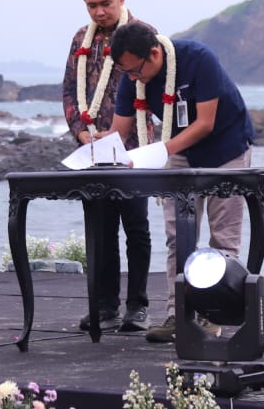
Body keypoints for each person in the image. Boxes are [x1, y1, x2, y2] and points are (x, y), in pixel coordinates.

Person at [108, 21, 255, 343]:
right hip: (179, 150)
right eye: (126, 73)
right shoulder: (133, 76)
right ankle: (179, 313)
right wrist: (95, 150)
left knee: (223, 237)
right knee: (178, 236)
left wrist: (161, 150)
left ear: (154, 53)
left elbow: (205, 123)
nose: (132, 78)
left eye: (135, 71)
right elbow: (118, 132)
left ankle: (214, 313)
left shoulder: (198, 58)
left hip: (226, 147)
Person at [61, 0, 153, 333]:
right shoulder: (80, 40)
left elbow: (157, 87)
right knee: (100, 230)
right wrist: (81, 133)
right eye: (91, 5)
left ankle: (138, 307)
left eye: (106, 3)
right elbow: (70, 91)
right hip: (92, 150)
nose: (99, 12)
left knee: (136, 228)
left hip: (134, 149)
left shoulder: (143, 34)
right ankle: (105, 306)